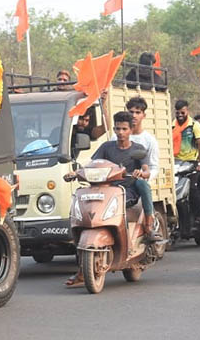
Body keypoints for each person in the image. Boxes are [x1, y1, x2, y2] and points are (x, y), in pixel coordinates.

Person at [66, 111, 156, 288]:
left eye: (124, 129)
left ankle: (149, 223)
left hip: (128, 189)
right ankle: (83, 269)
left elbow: (146, 170)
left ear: (131, 130)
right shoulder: (106, 147)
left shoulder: (138, 149)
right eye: (117, 128)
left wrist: (141, 173)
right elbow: (91, 165)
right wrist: (76, 173)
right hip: (107, 188)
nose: (120, 132)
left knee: (143, 185)